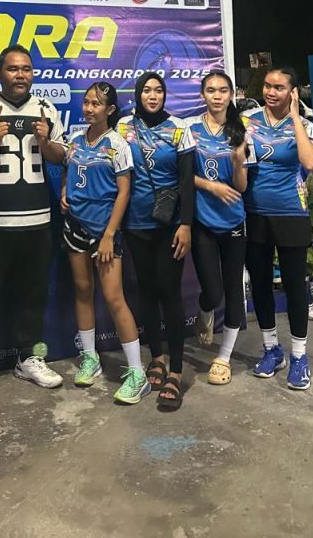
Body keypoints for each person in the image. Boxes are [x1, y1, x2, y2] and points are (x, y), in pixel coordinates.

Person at [0, 45, 66, 403]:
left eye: (26, 69)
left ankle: (28, 357)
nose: (20, 75)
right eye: (13, 69)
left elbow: (61, 156)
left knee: (32, 294)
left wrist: (45, 142)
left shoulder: (46, 108)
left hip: (36, 218)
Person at [60, 83, 149, 405]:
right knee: (83, 290)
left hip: (105, 231)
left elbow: (124, 192)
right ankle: (90, 357)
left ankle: (138, 374)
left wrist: (110, 234)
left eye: (96, 104)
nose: (89, 108)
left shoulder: (117, 144)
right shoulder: (74, 139)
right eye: (86, 102)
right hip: (75, 226)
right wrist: (64, 191)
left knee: (114, 298)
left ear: (110, 110)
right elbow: (69, 172)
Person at [118, 72, 194, 411]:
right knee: (146, 292)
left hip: (169, 226)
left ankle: (176, 371)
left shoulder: (179, 128)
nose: (152, 95)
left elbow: (187, 182)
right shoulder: (123, 127)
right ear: (138, 94)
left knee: (169, 293)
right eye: (147, 90)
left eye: (158, 90)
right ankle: (157, 358)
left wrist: (186, 224)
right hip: (134, 224)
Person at [242, 66, 313, 391]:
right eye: (268, 86)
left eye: (279, 87)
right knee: (261, 284)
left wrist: (296, 118)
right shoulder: (247, 122)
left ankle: (299, 355)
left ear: (293, 92)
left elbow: (311, 163)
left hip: (291, 214)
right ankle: (271, 349)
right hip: (254, 213)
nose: (271, 92)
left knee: (294, 285)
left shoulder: (305, 125)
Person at [185, 71, 248, 385]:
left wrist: (237, 162)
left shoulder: (240, 130)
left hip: (234, 221)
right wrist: (210, 186)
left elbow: (241, 186)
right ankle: (205, 311)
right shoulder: (190, 129)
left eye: (223, 90)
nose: (217, 96)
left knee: (234, 289)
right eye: (211, 90)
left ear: (231, 94)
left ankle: (223, 357)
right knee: (212, 290)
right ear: (203, 95)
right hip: (203, 221)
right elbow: (182, 175)